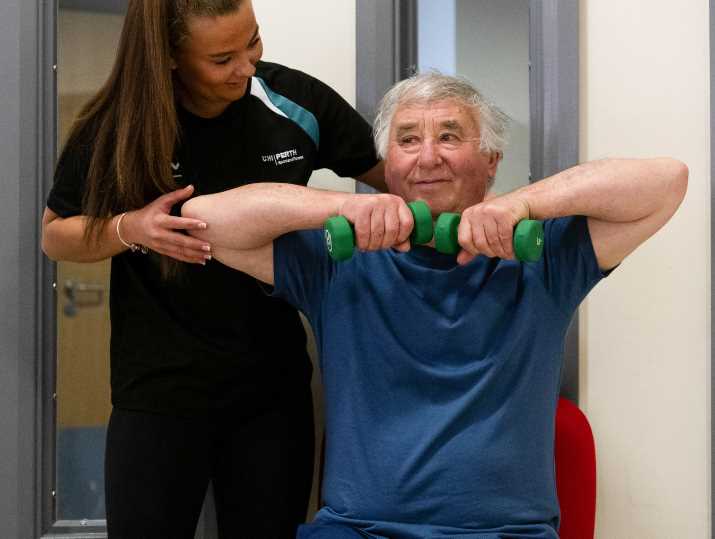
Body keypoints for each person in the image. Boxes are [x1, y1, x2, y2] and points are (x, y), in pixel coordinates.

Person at [181, 72, 688, 539]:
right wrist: (344, 206)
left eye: (449, 136)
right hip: (358, 530)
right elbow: (203, 217)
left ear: (491, 161)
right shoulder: (337, 259)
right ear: (388, 165)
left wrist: (521, 205)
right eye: (407, 140)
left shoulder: (547, 257)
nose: (427, 158)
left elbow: (668, 181)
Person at [41, 0, 385, 537]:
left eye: (253, 42)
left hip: (270, 390)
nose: (246, 68)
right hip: (158, 389)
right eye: (222, 58)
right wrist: (129, 228)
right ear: (172, 57)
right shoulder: (118, 124)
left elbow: (400, 178)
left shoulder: (295, 101)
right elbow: (55, 233)